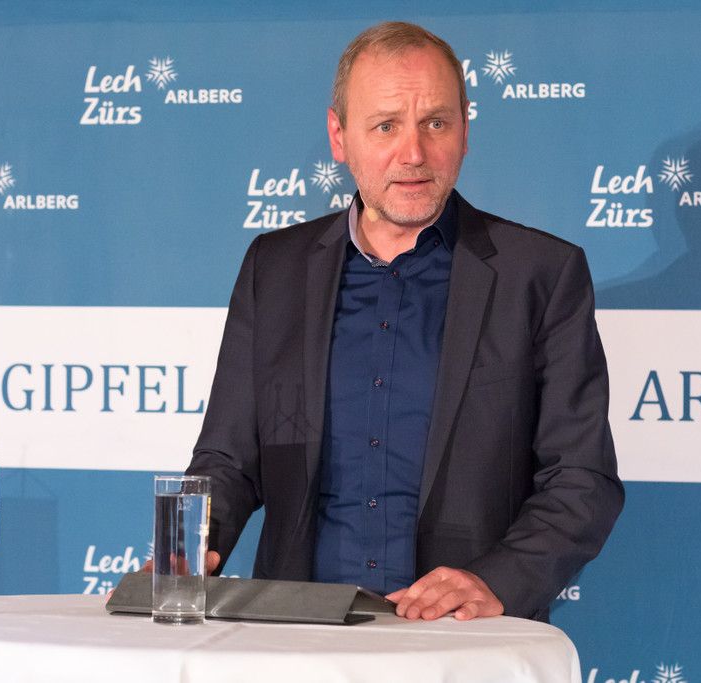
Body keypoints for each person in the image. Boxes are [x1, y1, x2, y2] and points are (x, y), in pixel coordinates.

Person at [186, 21, 623, 622]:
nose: (413, 153)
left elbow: (582, 478)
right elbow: (228, 460)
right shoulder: (274, 269)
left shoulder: (541, 275)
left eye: (435, 123)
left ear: (465, 131)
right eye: (386, 126)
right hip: (299, 635)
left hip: (461, 641)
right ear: (340, 136)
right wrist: (188, 551)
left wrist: (496, 580)